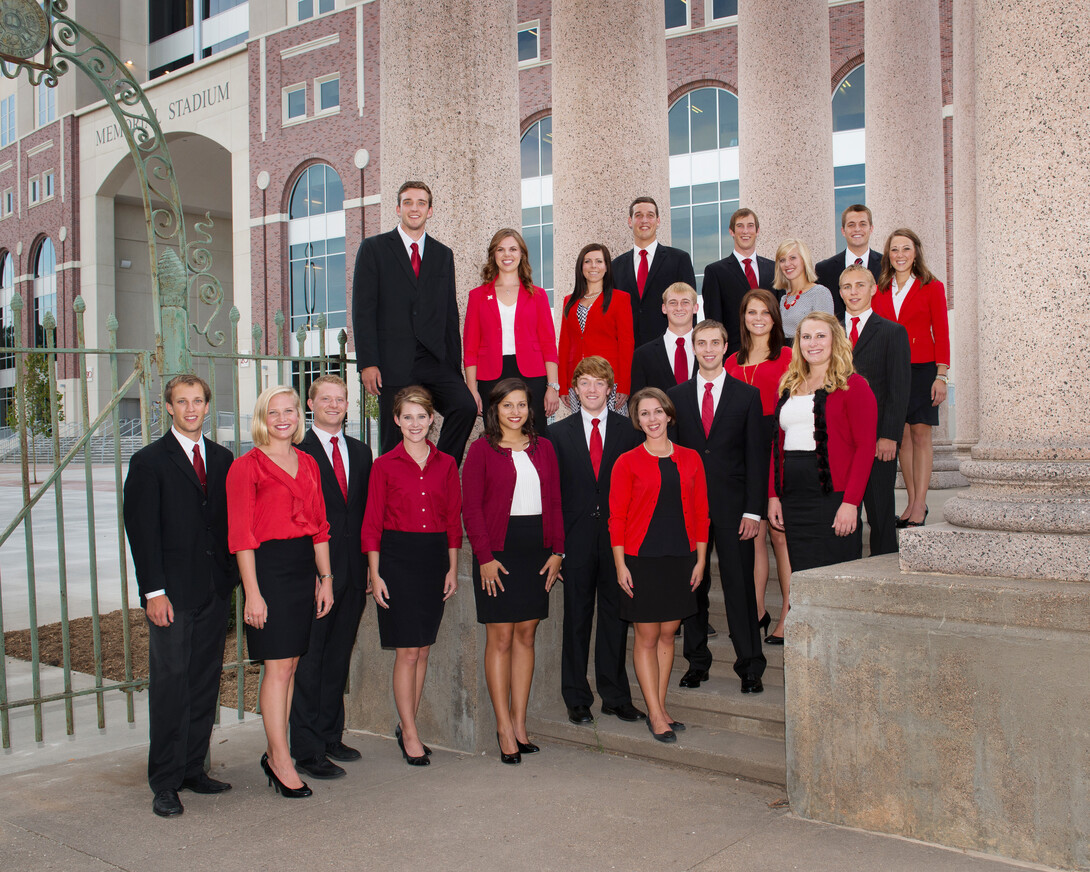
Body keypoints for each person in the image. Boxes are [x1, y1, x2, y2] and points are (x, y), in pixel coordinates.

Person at [123, 375, 236, 818]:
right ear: (168, 407)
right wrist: (154, 591)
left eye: (198, 401)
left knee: (204, 681)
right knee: (171, 685)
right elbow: (142, 533)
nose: (191, 409)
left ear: (208, 406)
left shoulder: (224, 458)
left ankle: (193, 769)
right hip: (170, 594)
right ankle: (165, 782)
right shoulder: (149, 462)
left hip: (213, 590)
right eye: (182, 401)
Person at [227, 386, 334, 799]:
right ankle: (280, 759)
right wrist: (252, 594)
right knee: (277, 668)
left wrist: (325, 580)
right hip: (267, 571)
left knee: (290, 665)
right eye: (275, 412)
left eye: (290, 410)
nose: (284, 418)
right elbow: (241, 537)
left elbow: (320, 527)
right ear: (262, 417)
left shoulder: (307, 462)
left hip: (302, 567)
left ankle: (278, 751)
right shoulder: (246, 467)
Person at [462, 379, 564, 764]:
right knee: (501, 638)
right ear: (495, 410)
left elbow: (555, 500)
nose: (515, 412)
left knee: (527, 635)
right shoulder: (481, 451)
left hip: (537, 550)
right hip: (498, 553)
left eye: (521, 404)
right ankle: (503, 726)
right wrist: (484, 558)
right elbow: (471, 509)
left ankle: (520, 724)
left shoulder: (546, 449)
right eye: (508, 405)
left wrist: (559, 551)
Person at [362, 386, 461, 767]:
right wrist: (376, 573)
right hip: (397, 560)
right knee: (406, 651)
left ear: (431, 419)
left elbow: (454, 520)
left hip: (434, 558)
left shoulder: (447, 464)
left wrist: (452, 567)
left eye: (421, 416)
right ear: (396, 420)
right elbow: (371, 524)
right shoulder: (383, 465)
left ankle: (408, 725)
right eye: (407, 417)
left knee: (423, 650)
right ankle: (410, 732)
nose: (415, 423)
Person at [668, 321, 767, 693]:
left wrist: (753, 511)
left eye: (715, 342)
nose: (708, 349)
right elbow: (671, 458)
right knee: (694, 586)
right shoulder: (674, 396)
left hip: (734, 508)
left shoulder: (747, 396)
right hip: (689, 511)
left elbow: (757, 458)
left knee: (739, 587)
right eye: (701, 343)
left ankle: (751, 665)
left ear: (726, 347)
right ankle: (696, 662)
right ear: (693, 348)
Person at [352, 180, 477, 465]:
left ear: (430, 211)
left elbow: (449, 314)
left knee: (465, 406)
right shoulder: (374, 249)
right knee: (393, 440)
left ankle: (438, 469)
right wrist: (368, 363)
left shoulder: (443, 254)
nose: (414, 208)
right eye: (408, 202)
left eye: (421, 203)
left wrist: (453, 369)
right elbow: (363, 310)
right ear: (398, 208)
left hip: (433, 359)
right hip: (391, 361)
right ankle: (395, 496)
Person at [610, 388, 709, 743]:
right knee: (647, 636)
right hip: (641, 559)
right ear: (637, 421)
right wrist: (620, 565)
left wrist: (700, 560)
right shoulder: (627, 462)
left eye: (658, 412)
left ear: (669, 415)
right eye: (644, 414)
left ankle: (661, 705)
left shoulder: (691, 458)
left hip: (681, 557)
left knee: (669, 633)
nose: (652, 419)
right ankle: (653, 712)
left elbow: (701, 513)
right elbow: (617, 517)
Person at [550, 357, 644, 726]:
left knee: (614, 619)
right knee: (576, 620)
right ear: (574, 389)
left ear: (611, 390)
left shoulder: (630, 432)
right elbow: (553, 497)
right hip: (574, 543)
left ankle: (615, 695)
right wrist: (556, 547)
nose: (592, 389)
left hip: (617, 543)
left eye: (599, 383)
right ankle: (576, 697)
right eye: (585, 382)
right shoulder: (558, 435)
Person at [289, 375, 373, 780]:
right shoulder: (296, 452)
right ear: (311, 403)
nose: (334, 405)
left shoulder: (361, 451)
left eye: (340, 399)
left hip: (354, 572)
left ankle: (329, 735)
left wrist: (373, 568)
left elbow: (366, 515)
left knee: (338, 657)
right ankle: (305, 749)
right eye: (326, 398)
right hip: (312, 574)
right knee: (310, 662)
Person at [768, 314, 877, 578]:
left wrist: (851, 503)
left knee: (837, 579)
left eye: (820, 336)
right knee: (803, 577)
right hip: (794, 498)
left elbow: (865, 449)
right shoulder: (788, 386)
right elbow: (776, 446)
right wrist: (773, 496)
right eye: (806, 337)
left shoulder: (854, 386)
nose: (812, 343)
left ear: (834, 341)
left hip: (834, 498)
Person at [724, 289, 793, 643]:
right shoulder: (731, 362)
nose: (759, 318)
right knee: (755, 536)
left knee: (780, 537)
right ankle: (756, 611)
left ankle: (788, 613)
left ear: (774, 317)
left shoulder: (787, 356)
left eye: (765, 312)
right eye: (752, 312)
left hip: (777, 445)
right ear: (744, 317)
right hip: (742, 451)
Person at [871, 228, 950, 528]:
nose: (900, 255)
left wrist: (941, 375)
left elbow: (941, 332)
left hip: (922, 369)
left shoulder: (932, 286)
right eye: (894, 250)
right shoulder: (879, 290)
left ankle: (920, 505)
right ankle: (911, 502)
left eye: (906, 249)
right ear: (888, 255)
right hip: (891, 370)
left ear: (915, 252)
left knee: (920, 434)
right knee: (901, 436)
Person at [839, 264, 911, 556]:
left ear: (872, 290)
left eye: (859, 285)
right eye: (847, 286)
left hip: (878, 440)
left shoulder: (892, 332)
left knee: (880, 510)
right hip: (839, 440)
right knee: (845, 511)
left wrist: (890, 435)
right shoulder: (828, 333)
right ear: (840, 292)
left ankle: (884, 569)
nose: (853, 292)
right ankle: (846, 565)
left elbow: (899, 389)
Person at [464, 228, 560, 435]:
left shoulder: (539, 295)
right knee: (497, 437)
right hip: (491, 376)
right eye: (501, 249)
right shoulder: (477, 296)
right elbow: (470, 348)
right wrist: (472, 389)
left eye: (513, 249)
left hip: (533, 375)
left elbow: (548, 344)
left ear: (522, 254)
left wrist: (553, 386)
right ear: (493, 255)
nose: (507, 254)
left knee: (535, 436)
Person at [558, 243, 635, 415]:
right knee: (582, 433)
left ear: (607, 267)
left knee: (613, 434)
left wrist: (624, 384)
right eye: (588, 261)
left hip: (609, 381)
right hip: (578, 382)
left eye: (599, 261)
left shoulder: (620, 299)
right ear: (581, 266)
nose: (593, 266)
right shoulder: (569, 301)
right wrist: (563, 385)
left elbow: (626, 343)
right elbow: (564, 344)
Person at [612, 196, 697, 348]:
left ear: (657, 221)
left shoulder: (679, 260)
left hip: (668, 349)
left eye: (650, 215)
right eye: (638, 215)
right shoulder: (616, 266)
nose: (644, 220)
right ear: (630, 222)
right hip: (629, 351)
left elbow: (689, 307)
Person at [702, 208, 778, 355]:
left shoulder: (774, 269)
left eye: (750, 226)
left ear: (757, 230)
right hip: (735, 355)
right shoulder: (716, 272)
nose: (745, 231)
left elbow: (778, 315)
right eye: (740, 226)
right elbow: (714, 321)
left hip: (771, 352)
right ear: (732, 231)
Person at [815, 204, 882, 320]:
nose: (857, 229)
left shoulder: (886, 265)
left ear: (871, 229)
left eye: (863, 224)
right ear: (843, 231)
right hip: (840, 334)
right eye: (851, 225)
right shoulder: (824, 269)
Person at [630, 282, 698, 395]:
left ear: (695, 308)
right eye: (673, 303)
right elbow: (637, 402)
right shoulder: (642, 355)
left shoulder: (710, 352)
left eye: (685, 302)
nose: (679, 308)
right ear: (664, 308)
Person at [775, 238, 836, 345]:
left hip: (808, 356)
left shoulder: (819, 293)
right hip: (786, 357)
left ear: (804, 260)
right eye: (782, 260)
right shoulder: (784, 299)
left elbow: (825, 335)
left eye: (792, 258)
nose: (787, 264)